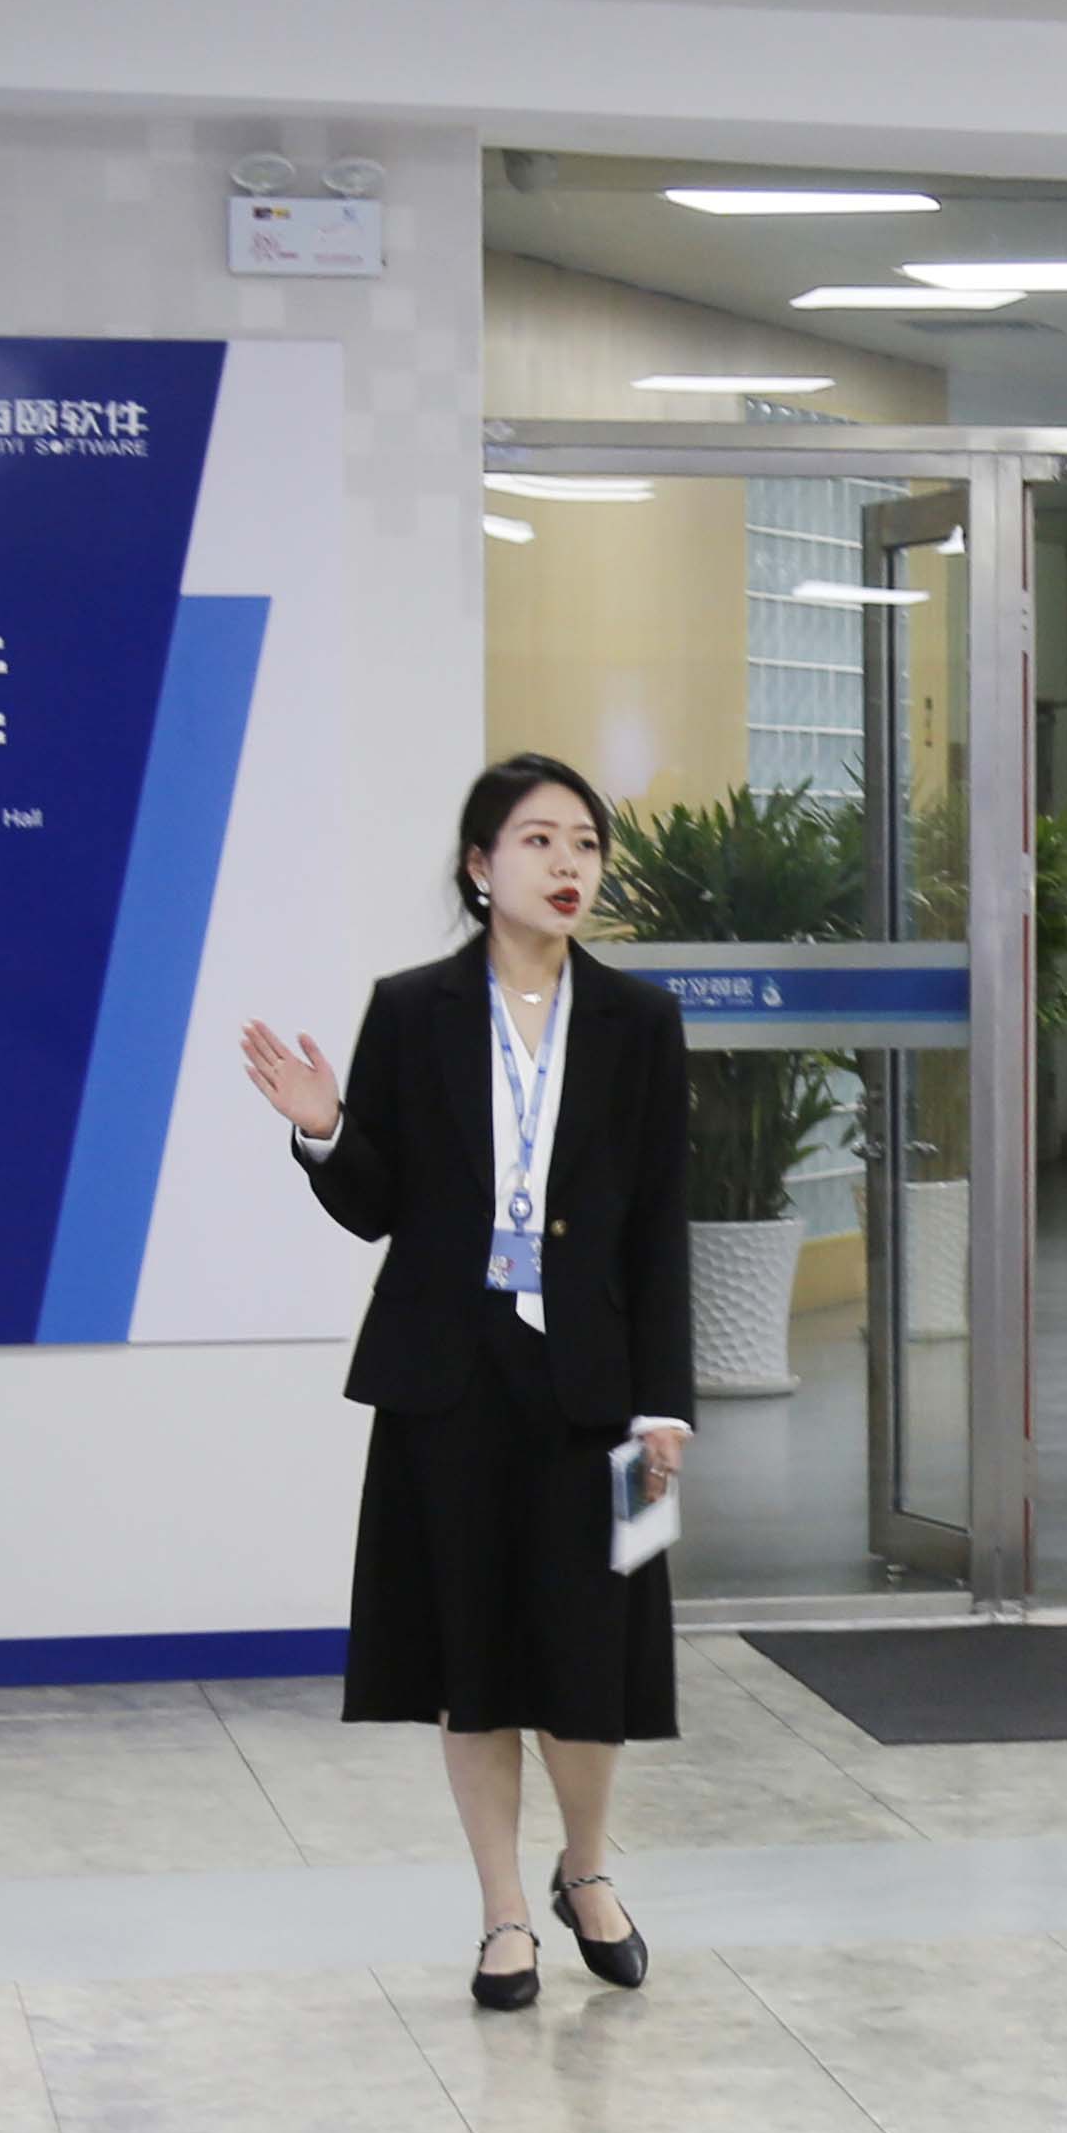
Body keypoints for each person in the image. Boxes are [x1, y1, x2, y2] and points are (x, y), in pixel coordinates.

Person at [240, 755, 696, 2013]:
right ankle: (503, 1915)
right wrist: (326, 1128)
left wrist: (665, 1404)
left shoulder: (640, 1022)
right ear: (479, 866)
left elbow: (659, 1224)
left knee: (593, 1667)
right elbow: (378, 1204)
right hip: (449, 1377)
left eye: (586, 844)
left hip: (598, 1385)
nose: (568, 865)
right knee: (473, 1659)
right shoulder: (415, 1010)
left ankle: (585, 1869)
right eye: (539, 841)